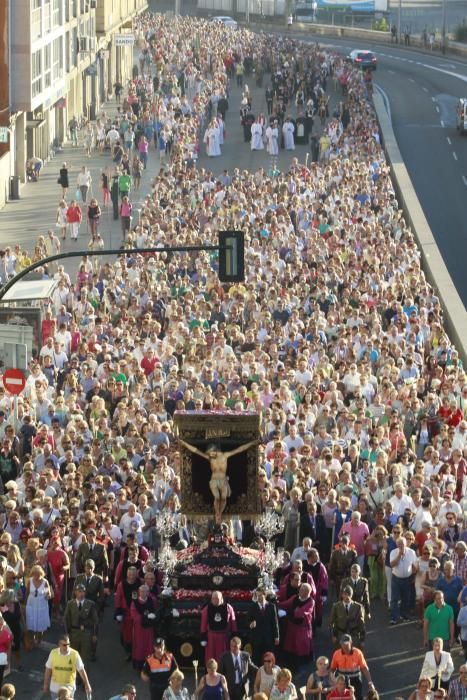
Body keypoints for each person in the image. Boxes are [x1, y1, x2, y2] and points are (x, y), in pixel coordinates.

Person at [179, 439, 256, 523]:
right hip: (214, 480)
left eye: (210, 452)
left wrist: (252, 443)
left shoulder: (225, 455)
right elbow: (196, 450)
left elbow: (240, 449)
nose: (209, 454)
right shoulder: (210, 458)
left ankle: (219, 513)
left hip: (223, 480)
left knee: (223, 499)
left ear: (214, 450)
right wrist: (184, 443)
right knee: (217, 497)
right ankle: (217, 514)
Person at [43, 634, 91, 700]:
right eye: (64, 645)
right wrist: (46, 684)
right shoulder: (53, 653)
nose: (67, 647)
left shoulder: (75, 654)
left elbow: (81, 670)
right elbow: (48, 669)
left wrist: (87, 684)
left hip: (69, 688)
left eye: (68, 644)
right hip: (55, 688)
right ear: (59, 644)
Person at [278, 582, 314, 667]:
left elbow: (303, 613)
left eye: (303, 590)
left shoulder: (311, 601)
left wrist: (291, 612)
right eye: (300, 589)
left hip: (302, 628)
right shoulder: (295, 597)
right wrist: (276, 603)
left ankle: (300, 663)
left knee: (300, 646)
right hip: (292, 626)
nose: (300, 592)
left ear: (308, 592)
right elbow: (286, 604)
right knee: (290, 644)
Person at [329, 635, 375, 700]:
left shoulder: (358, 653)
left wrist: (370, 683)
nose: (345, 648)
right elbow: (332, 669)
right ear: (340, 644)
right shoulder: (336, 654)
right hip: (342, 681)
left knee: (357, 697)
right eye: (343, 645)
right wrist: (333, 681)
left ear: (351, 643)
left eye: (347, 645)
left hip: (356, 680)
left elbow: (364, 668)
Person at [63, 583, 99, 664]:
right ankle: (73, 675)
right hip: (74, 633)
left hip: (86, 633)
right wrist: (66, 633)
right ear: (75, 592)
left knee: (85, 657)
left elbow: (95, 620)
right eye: (79, 591)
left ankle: (83, 675)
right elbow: (65, 619)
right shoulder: (70, 604)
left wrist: (94, 634)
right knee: (72, 656)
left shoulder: (90, 604)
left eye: (83, 591)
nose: (81, 593)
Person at [200, 590, 237, 665]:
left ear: (221, 599)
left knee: (223, 657)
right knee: (211, 657)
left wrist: (234, 635)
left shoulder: (228, 608)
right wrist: (203, 636)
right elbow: (203, 623)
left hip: (224, 637)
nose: (215, 600)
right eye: (213, 598)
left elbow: (233, 622)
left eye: (217, 598)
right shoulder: (207, 609)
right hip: (211, 638)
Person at [248, 587, 279, 665]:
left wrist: (276, 636)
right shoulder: (252, 607)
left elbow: (275, 622)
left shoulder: (271, 606)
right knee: (257, 659)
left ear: (264, 595)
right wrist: (250, 624)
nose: (258, 598)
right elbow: (248, 621)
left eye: (260, 596)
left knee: (268, 658)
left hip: (268, 637)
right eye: (257, 596)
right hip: (257, 638)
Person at [390, 536, 417, 624]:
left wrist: (413, 576)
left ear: (406, 544)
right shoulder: (393, 552)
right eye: (399, 544)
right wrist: (399, 555)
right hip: (396, 578)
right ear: (397, 545)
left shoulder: (412, 552)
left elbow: (415, 566)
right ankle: (394, 618)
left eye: (402, 544)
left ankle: (403, 615)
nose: (401, 546)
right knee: (395, 599)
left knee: (406, 598)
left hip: (407, 579)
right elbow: (392, 565)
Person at [25, 564, 52, 647]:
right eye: (34, 574)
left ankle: (39, 639)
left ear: (41, 573)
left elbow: (49, 594)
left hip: (42, 604)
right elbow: (27, 592)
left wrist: (47, 596)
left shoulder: (45, 582)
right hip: (31, 604)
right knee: (31, 621)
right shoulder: (29, 581)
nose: (36, 576)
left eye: (38, 574)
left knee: (40, 622)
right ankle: (32, 639)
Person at [0, 614, 12, 688]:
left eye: (1, 624)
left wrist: (8, 661)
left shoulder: (6, 634)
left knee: (0, 677)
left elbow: (9, 648)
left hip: (2, 659)